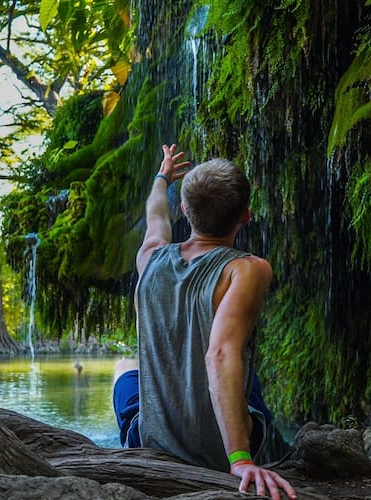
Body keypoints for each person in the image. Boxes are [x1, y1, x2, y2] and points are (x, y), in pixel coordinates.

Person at [112, 144, 296, 500]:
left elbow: (155, 217)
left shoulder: (150, 258)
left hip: (149, 444)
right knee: (241, 368)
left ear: (184, 210)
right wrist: (241, 459)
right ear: (246, 215)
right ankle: (253, 446)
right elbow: (222, 353)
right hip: (221, 452)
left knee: (123, 369)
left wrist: (162, 175)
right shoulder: (247, 269)